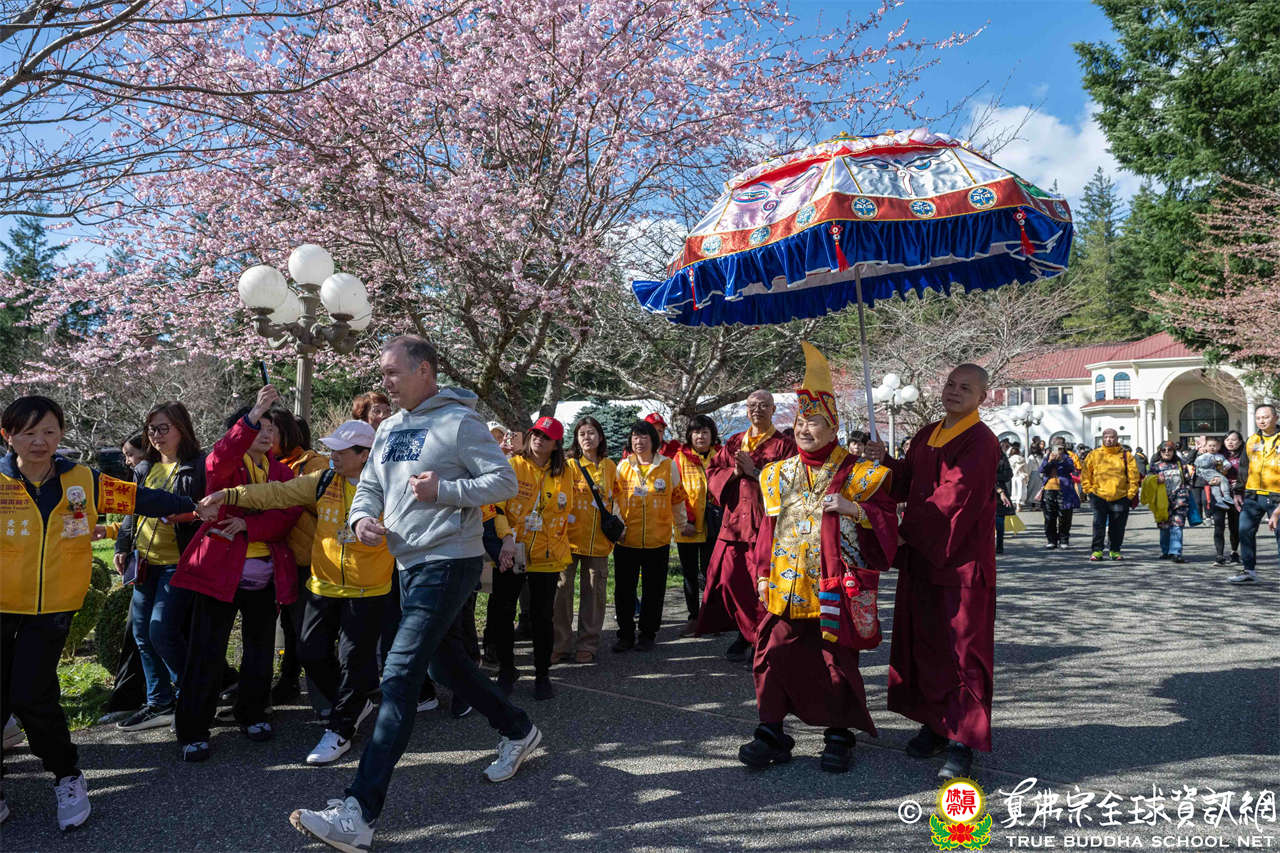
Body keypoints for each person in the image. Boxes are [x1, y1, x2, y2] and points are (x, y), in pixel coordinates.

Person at [290, 335, 538, 853]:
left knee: (399, 675)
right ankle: (518, 730)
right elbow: (370, 486)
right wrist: (362, 518)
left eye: (392, 372)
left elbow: (503, 482)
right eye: (382, 372)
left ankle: (358, 813)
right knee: (446, 668)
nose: (385, 381)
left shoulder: (460, 422)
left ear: (425, 370)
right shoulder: (389, 429)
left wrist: (444, 490)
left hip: (449, 561)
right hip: (406, 562)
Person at [1, 395, 196, 830]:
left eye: (49, 431)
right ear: (7, 435)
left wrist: (193, 506)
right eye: (28, 433)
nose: (39, 441)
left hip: (52, 607)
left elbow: (139, 498)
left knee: (32, 696)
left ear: (61, 434)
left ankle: (67, 775)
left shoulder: (82, 479)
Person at [739, 344, 897, 774]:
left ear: (834, 428)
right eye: (800, 421)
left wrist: (855, 509)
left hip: (833, 584)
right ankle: (771, 730)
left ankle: (839, 733)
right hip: (785, 584)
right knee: (772, 654)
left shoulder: (859, 472)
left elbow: (888, 522)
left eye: (815, 422)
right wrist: (762, 574)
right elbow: (767, 530)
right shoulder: (777, 473)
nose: (805, 429)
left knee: (836, 662)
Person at [197, 420, 389, 765]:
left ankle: (340, 728)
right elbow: (276, 493)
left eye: (341, 451)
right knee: (310, 652)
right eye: (330, 449)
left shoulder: (388, 486)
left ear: (365, 455)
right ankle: (354, 705)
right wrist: (228, 495)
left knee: (354, 660)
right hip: (322, 586)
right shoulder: (323, 480)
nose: (332, 455)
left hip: (368, 589)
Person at [866, 363, 1000, 781]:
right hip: (924, 559)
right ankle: (937, 724)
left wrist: (902, 532)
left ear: (982, 397)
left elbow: (955, 497)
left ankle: (964, 740)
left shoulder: (982, 441)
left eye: (965, 387)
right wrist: (884, 463)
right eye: (950, 384)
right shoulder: (927, 434)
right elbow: (906, 482)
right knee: (927, 644)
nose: (954, 391)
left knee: (963, 651)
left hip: (960, 561)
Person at [171, 386, 302, 762]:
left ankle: (253, 713)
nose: (265, 432)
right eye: (258, 426)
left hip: (265, 573)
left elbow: (289, 512)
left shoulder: (280, 471)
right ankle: (193, 729)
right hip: (219, 571)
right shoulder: (225, 464)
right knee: (206, 650)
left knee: (259, 649)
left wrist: (249, 525)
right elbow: (218, 461)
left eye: (271, 427)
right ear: (240, 430)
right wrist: (252, 414)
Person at [113, 402, 207, 733]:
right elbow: (131, 509)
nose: (155, 435)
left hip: (178, 563)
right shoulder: (144, 468)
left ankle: (192, 695)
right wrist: (122, 545)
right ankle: (159, 702)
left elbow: (207, 510)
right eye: (151, 429)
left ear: (182, 428)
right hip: (144, 563)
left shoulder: (198, 466)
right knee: (141, 634)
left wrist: (185, 515)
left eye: (163, 428)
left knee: (161, 630)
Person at [698, 390, 796, 661]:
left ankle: (759, 639)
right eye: (752, 405)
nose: (757, 410)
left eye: (764, 405)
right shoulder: (734, 441)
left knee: (762, 585)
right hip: (734, 525)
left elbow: (792, 483)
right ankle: (748, 632)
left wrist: (755, 472)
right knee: (729, 581)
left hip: (766, 526)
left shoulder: (785, 445)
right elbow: (712, 472)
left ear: (773, 409)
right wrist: (735, 473)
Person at [490, 417, 572, 700]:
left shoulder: (565, 472)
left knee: (542, 617)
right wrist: (506, 538)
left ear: (556, 444)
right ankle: (506, 670)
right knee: (503, 613)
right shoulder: (512, 466)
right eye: (535, 433)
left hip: (548, 555)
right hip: (512, 551)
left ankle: (542, 675)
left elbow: (568, 510)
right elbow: (497, 508)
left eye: (545, 436)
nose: (538, 439)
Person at [266, 407, 330, 706]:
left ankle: (328, 701)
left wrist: (290, 494)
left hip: (307, 560)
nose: (264, 436)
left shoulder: (312, 463)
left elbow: (326, 506)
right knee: (289, 629)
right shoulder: (264, 464)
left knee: (309, 634)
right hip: (279, 558)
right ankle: (289, 681)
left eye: (271, 431)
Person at [612, 419, 689, 652]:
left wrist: (682, 524)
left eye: (644, 436)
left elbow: (677, 499)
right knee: (624, 590)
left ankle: (648, 633)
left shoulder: (668, 465)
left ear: (653, 440)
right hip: (627, 539)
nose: (639, 441)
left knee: (654, 590)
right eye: (635, 436)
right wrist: (619, 528)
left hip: (658, 539)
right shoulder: (623, 466)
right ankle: (625, 634)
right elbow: (614, 500)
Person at [554, 417, 619, 664]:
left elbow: (617, 498)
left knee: (594, 593)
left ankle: (588, 644)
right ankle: (560, 644)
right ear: (576, 439)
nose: (587, 438)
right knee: (561, 592)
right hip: (568, 539)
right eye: (582, 434)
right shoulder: (569, 465)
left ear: (600, 437)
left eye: (591, 433)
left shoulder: (610, 466)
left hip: (599, 541)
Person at [673, 415, 721, 636]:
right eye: (696, 432)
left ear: (712, 435)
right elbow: (677, 492)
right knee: (690, 574)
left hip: (714, 525)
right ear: (689, 435)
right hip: (688, 526)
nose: (700, 436)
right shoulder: (680, 458)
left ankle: (711, 617)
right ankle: (693, 617)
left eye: (704, 432)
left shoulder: (720, 456)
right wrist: (686, 521)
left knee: (712, 573)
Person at [1229, 404, 1280, 584]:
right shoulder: (1252, 440)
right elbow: (1244, 467)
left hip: (1277, 496)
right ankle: (1248, 571)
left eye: (1265, 417)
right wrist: (1238, 491)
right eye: (1258, 418)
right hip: (1252, 495)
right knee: (1244, 530)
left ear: (1275, 418)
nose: (1261, 421)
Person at [1080, 428, 1140, 562]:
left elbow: (1134, 477)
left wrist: (1130, 494)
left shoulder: (1126, 456)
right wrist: (1088, 490)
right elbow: (1085, 474)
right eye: (1106, 437)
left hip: (1120, 496)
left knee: (1118, 526)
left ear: (1117, 439)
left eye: (1112, 437)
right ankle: (1097, 551)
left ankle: (1115, 550)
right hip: (1098, 495)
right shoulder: (1094, 454)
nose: (1108, 439)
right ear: (1102, 439)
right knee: (1098, 525)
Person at [1147, 441, 1191, 563]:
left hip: (1180, 500)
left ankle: (1176, 552)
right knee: (1164, 527)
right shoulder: (1155, 466)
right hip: (1162, 501)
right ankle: (1165, 551)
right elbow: (1147, 481)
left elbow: (1188, 479)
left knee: (1177, 525)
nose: (1167, 452)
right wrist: (1156, 479)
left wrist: (1186, 492)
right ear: (1160, 452)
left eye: (1170, 450)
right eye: (1164, 450)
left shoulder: (1181, 464)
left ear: (1174, 451)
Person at [1212, 431, 1245, 565]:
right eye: (1227, 440)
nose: (1230, 442)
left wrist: (1241, 483)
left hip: (1237, 495)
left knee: (1234, 526)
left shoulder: (1245, 455)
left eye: (1233, 440)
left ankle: (1234, 552)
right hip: (1219, 495)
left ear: (1240, 441)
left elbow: (1252, 473)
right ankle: (1219, 555)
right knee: (1218, 525)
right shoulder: (1217, 455)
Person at [1038, 441, 1079, 549]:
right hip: (1049, 489)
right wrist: (1050, 461)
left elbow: (1071, 469)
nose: (1058, 451)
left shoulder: (1067, 458)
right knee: (1049, 517)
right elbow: (1041, 470)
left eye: (1061, 448)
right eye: (1056, 448)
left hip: (1064, 490)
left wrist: (1061, 460)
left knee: (1065, 516)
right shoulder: (1048, 457)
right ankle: (1051, 540)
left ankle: (1064, 540)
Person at [994, 450, 1014, 555]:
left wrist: (993, 476)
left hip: (1000, 492)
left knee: (999, 520)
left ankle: (999, 545)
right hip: (985, 490)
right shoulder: (981, 454)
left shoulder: (1002, 456)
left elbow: (1009, 474)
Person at [1008, 443, 1028, 509]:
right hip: (1021, 475)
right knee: (1021, 490)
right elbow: (1025, 468)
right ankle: (1018, 504)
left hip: (1014, 476)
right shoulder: (1021, 459)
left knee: (1014, 489)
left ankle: (1014, 503)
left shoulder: (1010, 459)